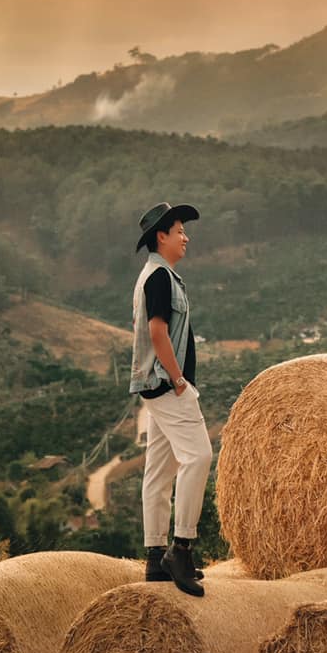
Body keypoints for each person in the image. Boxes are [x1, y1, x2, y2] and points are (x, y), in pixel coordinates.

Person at [130, 200, 212, 596]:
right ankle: (181, 547)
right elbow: (158, 332)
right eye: (179, 231)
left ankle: (154, 555)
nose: (186, 237)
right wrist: (179, 379)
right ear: (160, 236)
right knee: (199, 456)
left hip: (156, 386)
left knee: (159, 472)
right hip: (166, 384)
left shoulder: (159, 275)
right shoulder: (159, 278)